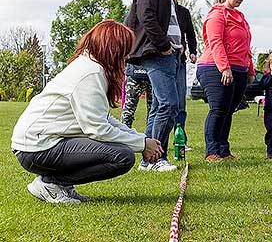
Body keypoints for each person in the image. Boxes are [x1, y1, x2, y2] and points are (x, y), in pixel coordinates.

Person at [11, 20, 163, 204]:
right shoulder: (91, 73)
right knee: (122, 156)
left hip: (38, 143)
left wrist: (142, 139)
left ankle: (60, 186)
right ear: (113, 49)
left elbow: (104, 120)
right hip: (37, 147)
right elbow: (98, 129)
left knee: (122, 151)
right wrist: (141, 144)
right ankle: (51, 184)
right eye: (124, 51)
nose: (127, 58)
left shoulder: (89, 66)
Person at [126, 0, 187, 172]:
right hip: (157, 54)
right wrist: (163, 45)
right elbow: (146, 17)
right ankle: (154, 159)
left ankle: (148, 159)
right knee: (169, 104)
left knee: (160, 106)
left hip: (169, 54)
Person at [196, 0, 255, 161]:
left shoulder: (241, 17)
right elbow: (215, 43)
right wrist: (224, 68)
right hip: (214, 67)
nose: (240, 0)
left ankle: (224, 151)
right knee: (219, 108)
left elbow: (246, 46)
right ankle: (212, 152)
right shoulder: (217, 15)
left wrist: (250, 69)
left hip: (239, 68)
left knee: (229, 110)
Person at [170, 0, 197, 150]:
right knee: (163, 103)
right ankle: (158, 138)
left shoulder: (184, 12)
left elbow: (191, 35)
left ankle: (181, 138)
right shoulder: (162, 11)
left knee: (180, 102)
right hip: (163, 61)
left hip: (180, 62)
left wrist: (193, 51)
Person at [121, 63, 152, 128]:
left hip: (150, 73)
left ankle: (151, 136)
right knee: (128, 110)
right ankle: (124, 134)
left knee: (153, 111)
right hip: (135, 73)